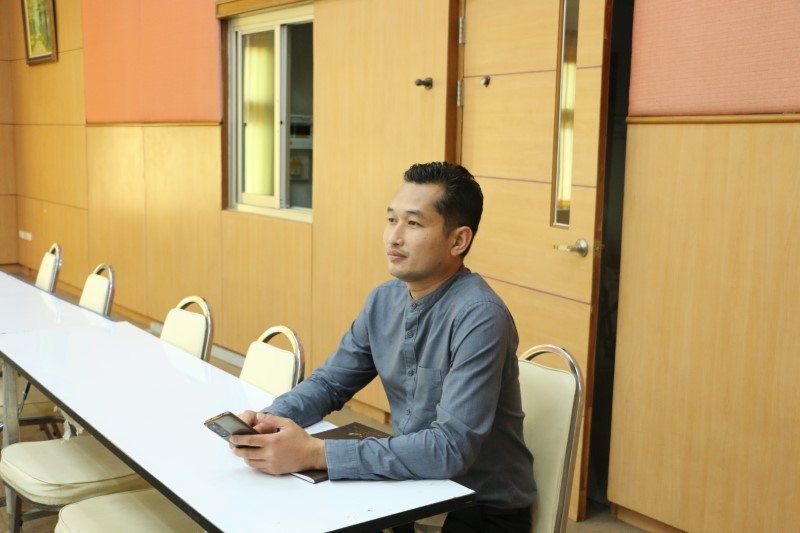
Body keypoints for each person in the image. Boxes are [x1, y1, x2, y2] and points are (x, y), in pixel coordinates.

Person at [231, 162, 536, 532]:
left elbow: (450, 449)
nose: (394, 237)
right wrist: (268, 421)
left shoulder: (480, 315)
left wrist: (315, 453)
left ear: (458, 241)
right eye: (391, 220)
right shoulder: (383, 300)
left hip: (478, 507)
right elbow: (330, 384)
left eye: (413, 224)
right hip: (411, 490)